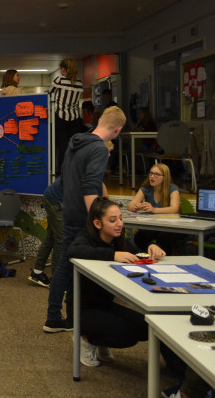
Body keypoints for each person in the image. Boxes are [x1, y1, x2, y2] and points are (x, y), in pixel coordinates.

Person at [43, 106, 126, 332]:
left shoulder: (76, 142)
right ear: (117, 130)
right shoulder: (99, 149)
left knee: (66, 267)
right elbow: (91, 185)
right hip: (82, 216)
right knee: (72, 268)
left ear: (99, 120)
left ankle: (63, 317)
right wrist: (97, 221)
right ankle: (62, 318)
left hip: (69, 209)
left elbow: (70, 176)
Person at [68, 197, 173, 368]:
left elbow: (138, 254)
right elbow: (73, 250)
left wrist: (151, 248)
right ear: (97, 223)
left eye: (121, 218)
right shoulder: (86, 239)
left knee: (148, 327)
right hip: (82, 309)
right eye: (112, 220)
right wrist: (113, 255)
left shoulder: (120, 240)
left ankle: (101, 339)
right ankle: (86, 338)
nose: (119, 224)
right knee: (127, 335)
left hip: (105, 305)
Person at [30, 141, 114, 287]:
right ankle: (58, 282)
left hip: (59, 200)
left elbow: (101, 190)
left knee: (51, 236)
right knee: (61, 240)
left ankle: (37, 273)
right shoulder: (87, 166)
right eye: (107, 151)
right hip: (55, 201)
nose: (109, 155)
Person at [128, 163, 180, 252]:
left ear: (165, 177)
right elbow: (130, 205)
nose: (152, 176)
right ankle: (147, 255)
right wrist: (135, 207)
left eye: (157, 174)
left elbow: (174, 209)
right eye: (151, 173)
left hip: (169, 226)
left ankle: (160, 257)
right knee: (140, 237)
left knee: (163, 238)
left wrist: (154, 209)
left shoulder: (172, 188)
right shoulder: (146, 188)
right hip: (152, 225)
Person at [50, 59, 84, 174]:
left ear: (63, 69)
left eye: (61, 69)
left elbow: (49, 95)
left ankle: (62, 173)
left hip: (60, 117)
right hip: (75, 118)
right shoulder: (79, 82)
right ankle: (74, 172)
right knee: (74, 147)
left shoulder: (59, 80)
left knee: (61, 147)